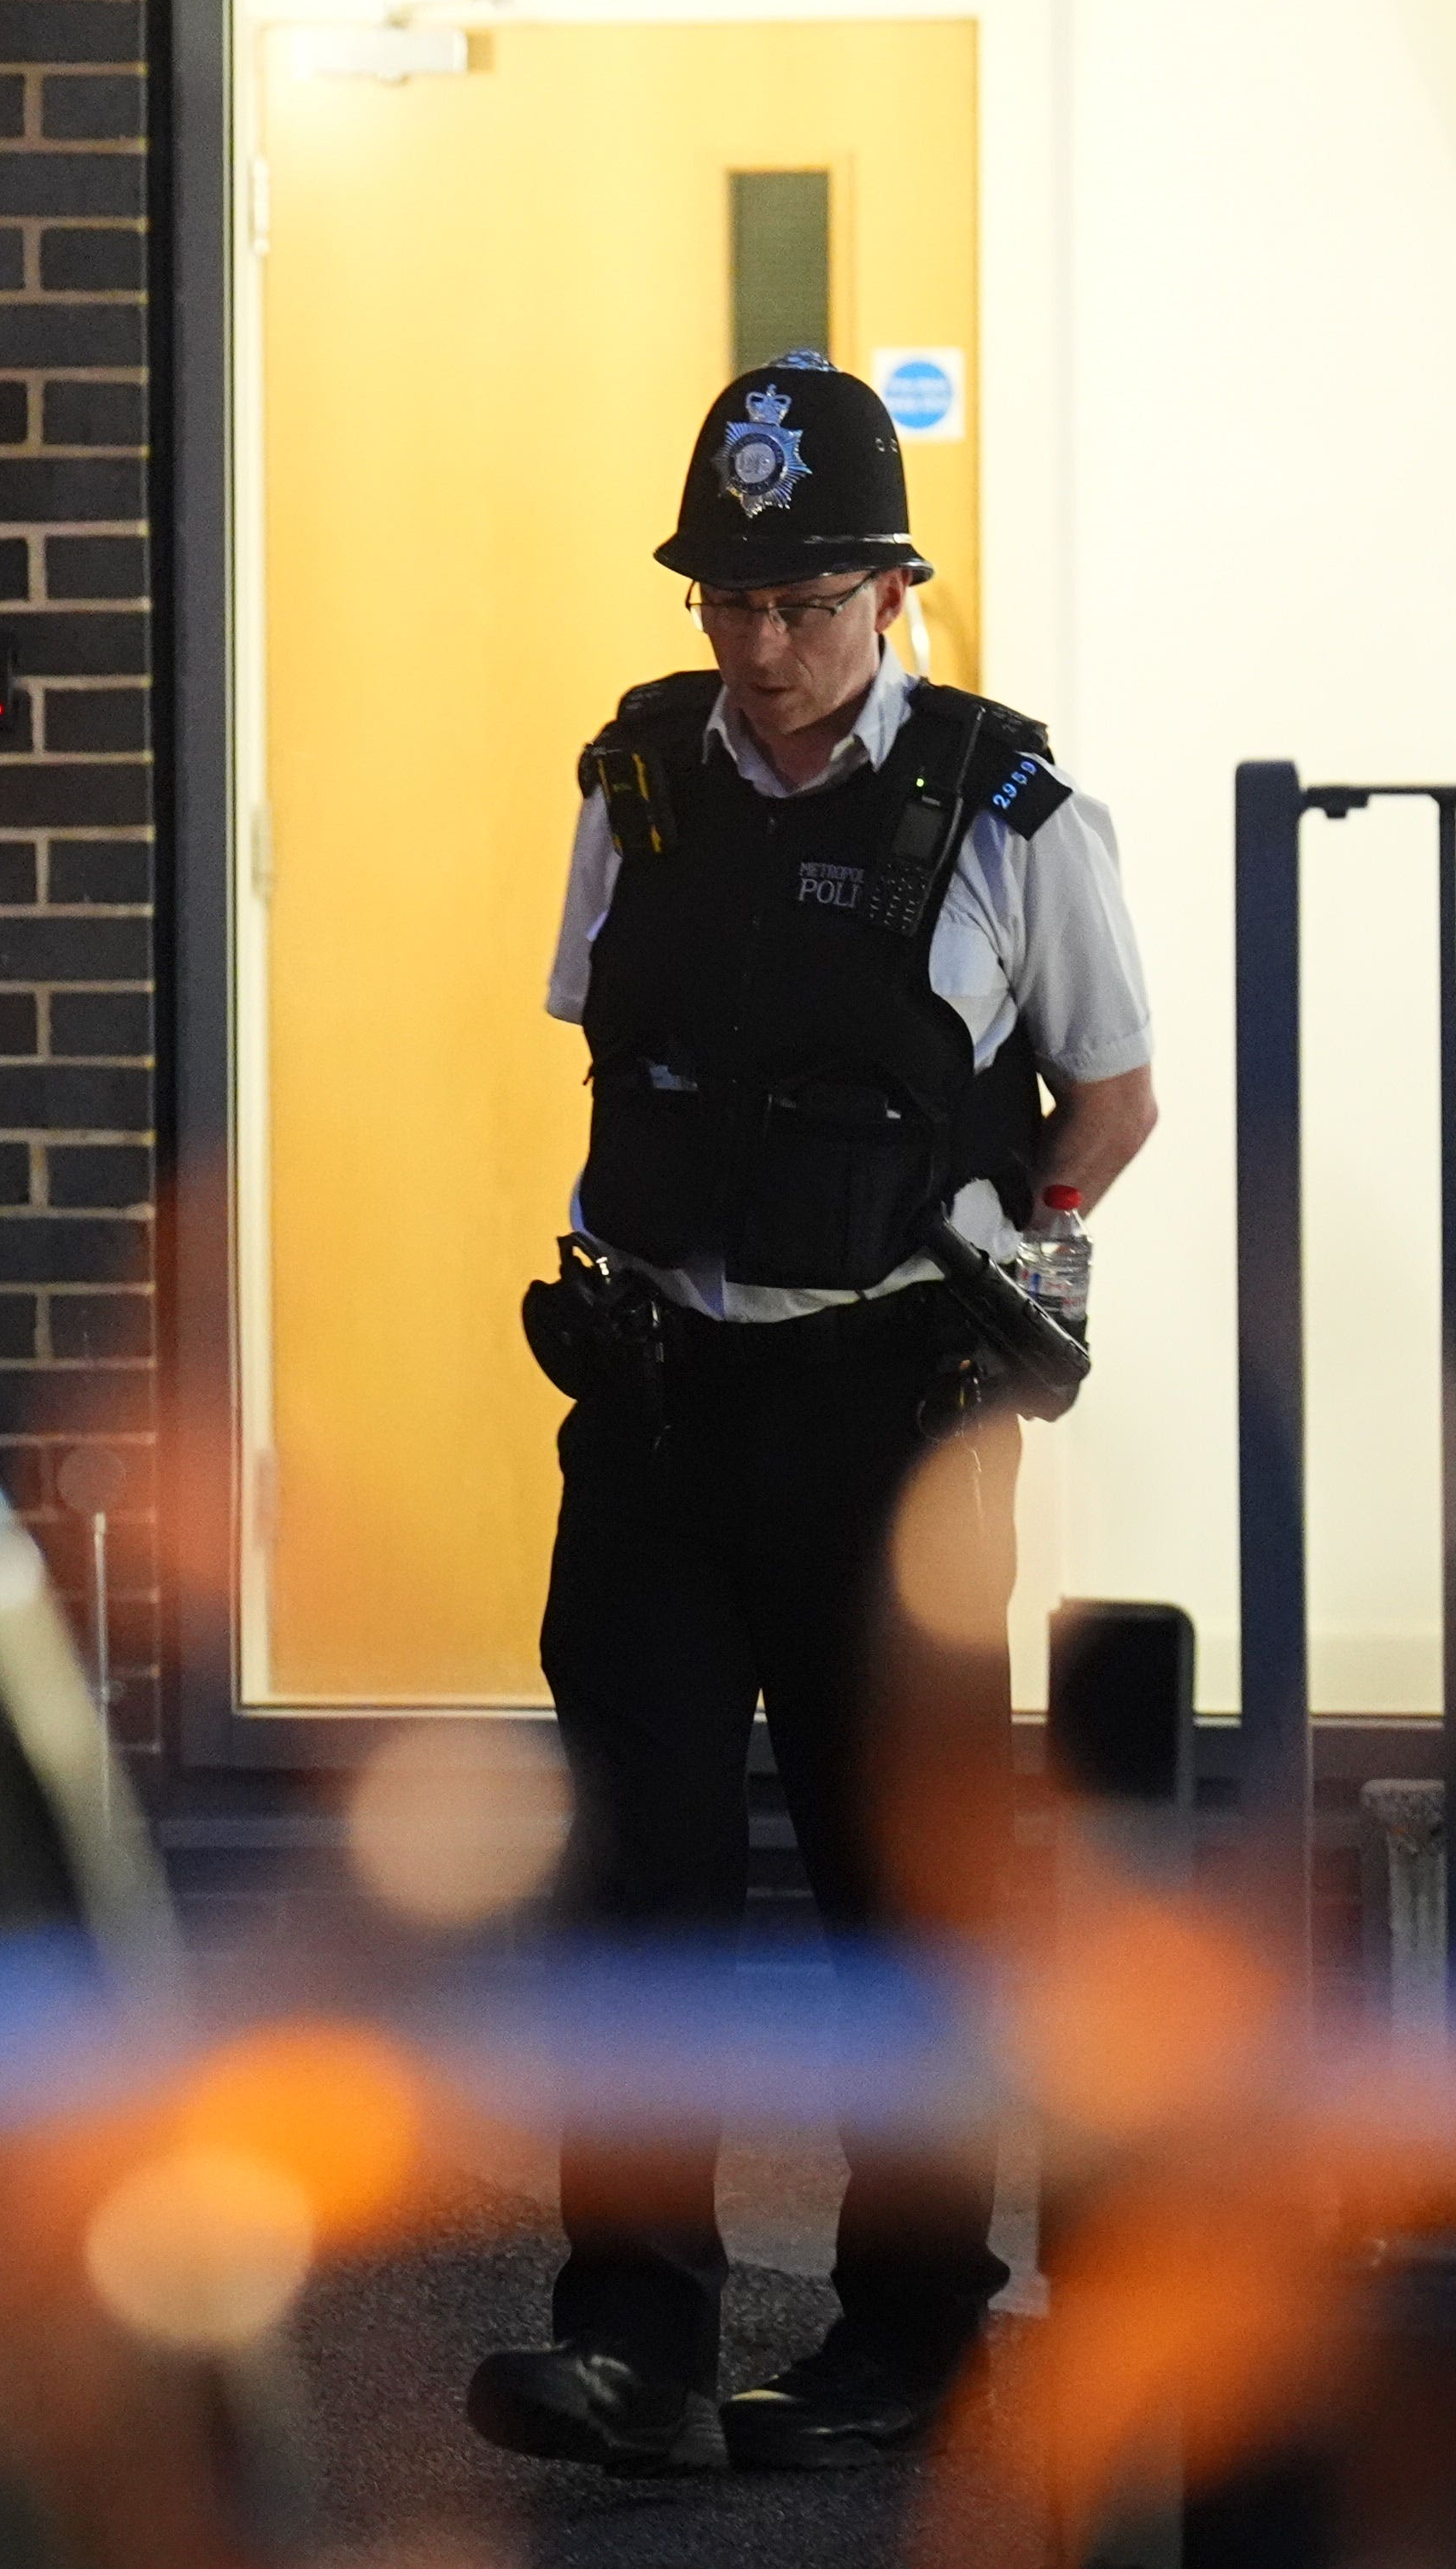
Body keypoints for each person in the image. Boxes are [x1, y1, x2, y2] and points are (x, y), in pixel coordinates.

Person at [466, 352, 1159, 2476]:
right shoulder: (641, 784)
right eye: (726, 603)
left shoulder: (1009, 811)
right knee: (640, 1880)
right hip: (667, 1409)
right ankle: (637, 2335)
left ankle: (915, 2332)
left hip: (892, 1418)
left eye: (801, 604)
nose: (759, 647)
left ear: (888, 592)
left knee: (904, 1890)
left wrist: (992, 1239)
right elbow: (617, 1048)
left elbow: (1112, 1097)